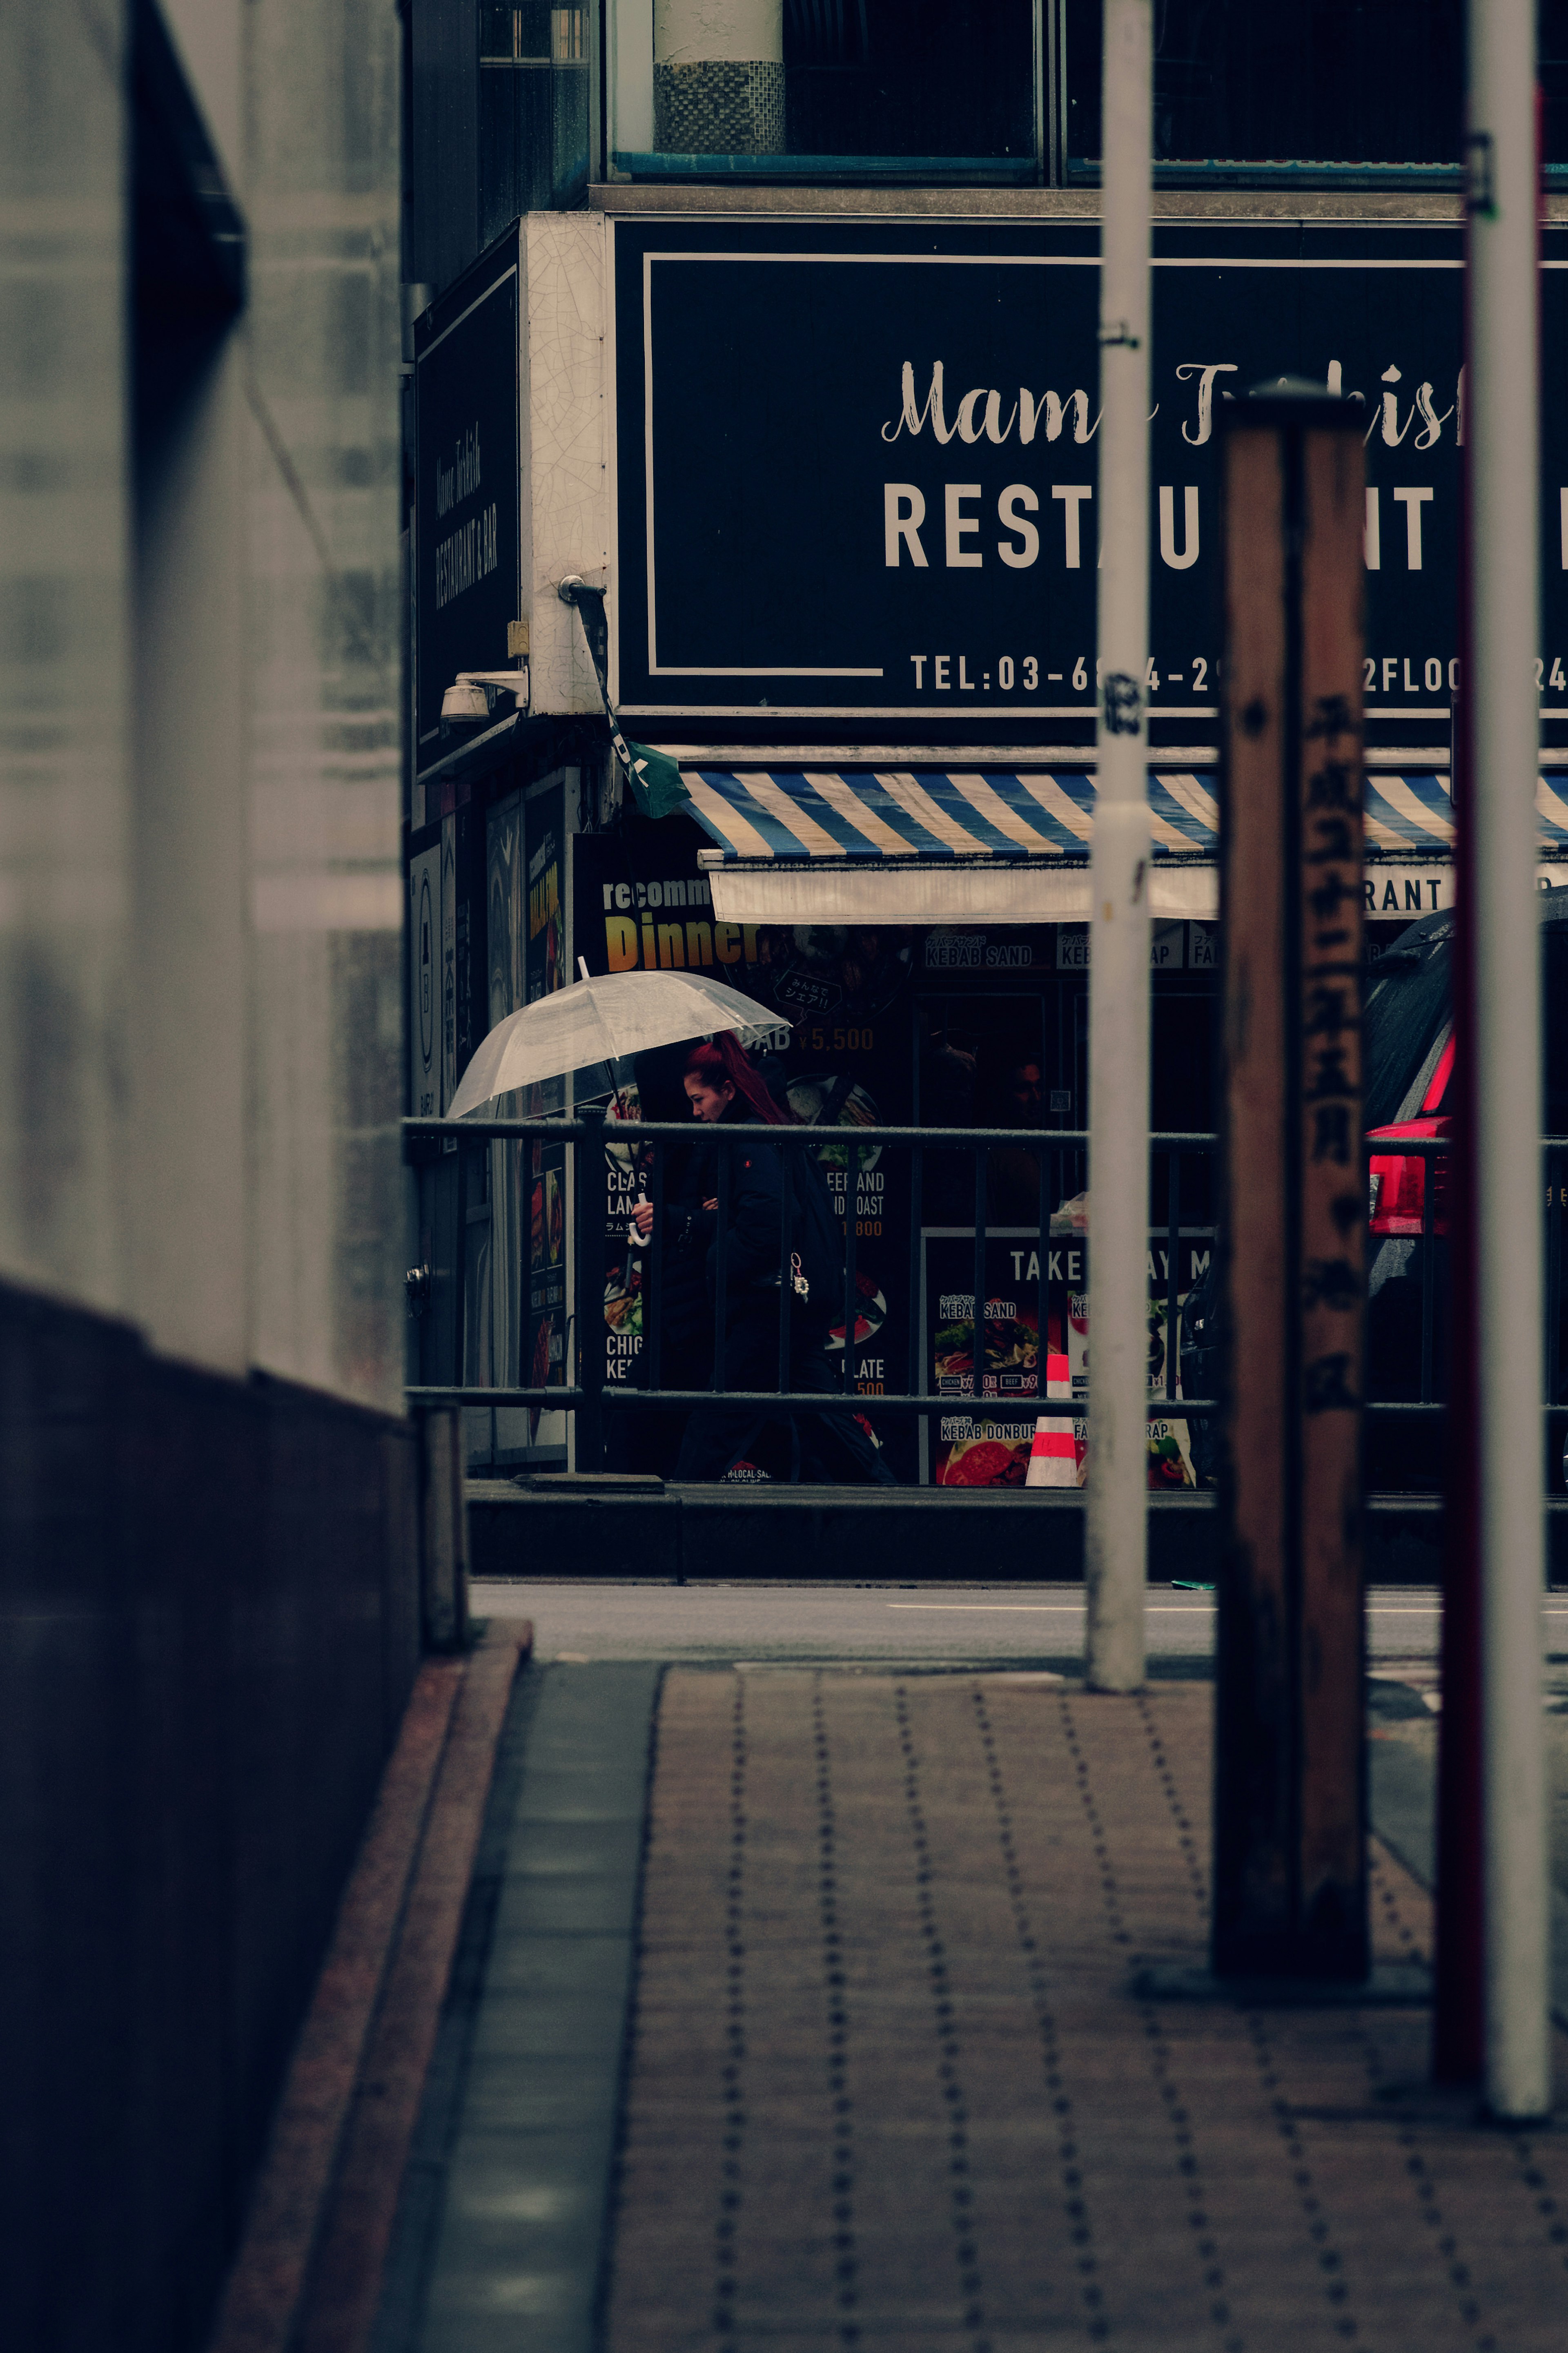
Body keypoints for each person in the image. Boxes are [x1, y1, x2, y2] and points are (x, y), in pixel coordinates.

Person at [658, 1034, 897, 1485]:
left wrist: (717, 1264)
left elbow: (768, 1223)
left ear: (728, 1090)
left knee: (716, 1423)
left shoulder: (748, 1137)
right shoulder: (767, 1125)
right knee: (823, 1423)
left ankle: (678, 1516)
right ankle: (893, 1506)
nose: (695, 1111)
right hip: (790, 1303)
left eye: (699, 1098)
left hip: (767, 1305)